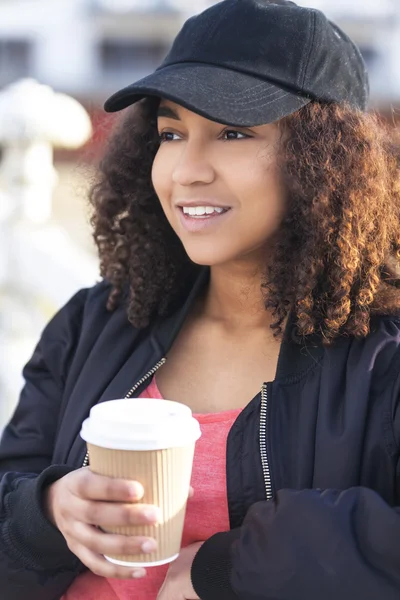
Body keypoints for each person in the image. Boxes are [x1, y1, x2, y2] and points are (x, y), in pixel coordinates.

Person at [1, 0, 400, 598]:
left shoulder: (383, 356)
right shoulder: (96, 320)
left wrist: (234, 567)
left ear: (325, 159)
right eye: (171, 132)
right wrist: (47, 512)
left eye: (233, 133)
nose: (186, 170)